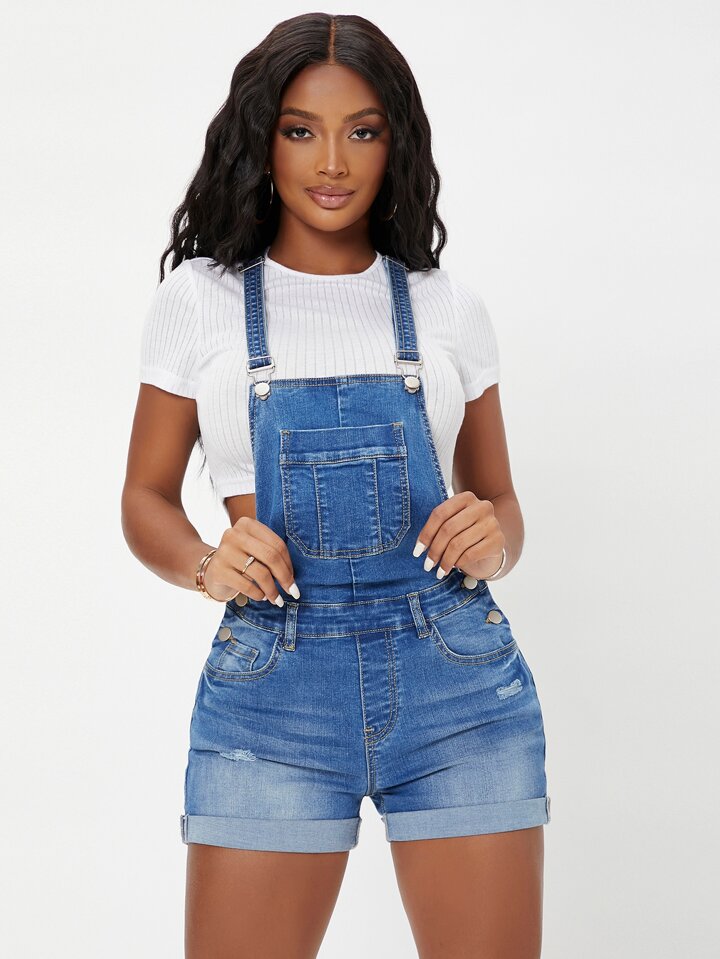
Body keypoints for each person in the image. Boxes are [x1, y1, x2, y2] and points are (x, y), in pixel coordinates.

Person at [121, 12, 550, 959]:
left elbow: (502, 501)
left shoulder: (447, 306)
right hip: (272, 688)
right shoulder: (200, 301)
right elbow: (144, 497)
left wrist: (496, 541)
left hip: (459, 687)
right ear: (261, 138)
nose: (331, 161)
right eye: (300, 130)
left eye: (362, 131)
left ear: (396, 143)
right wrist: (205, 563)